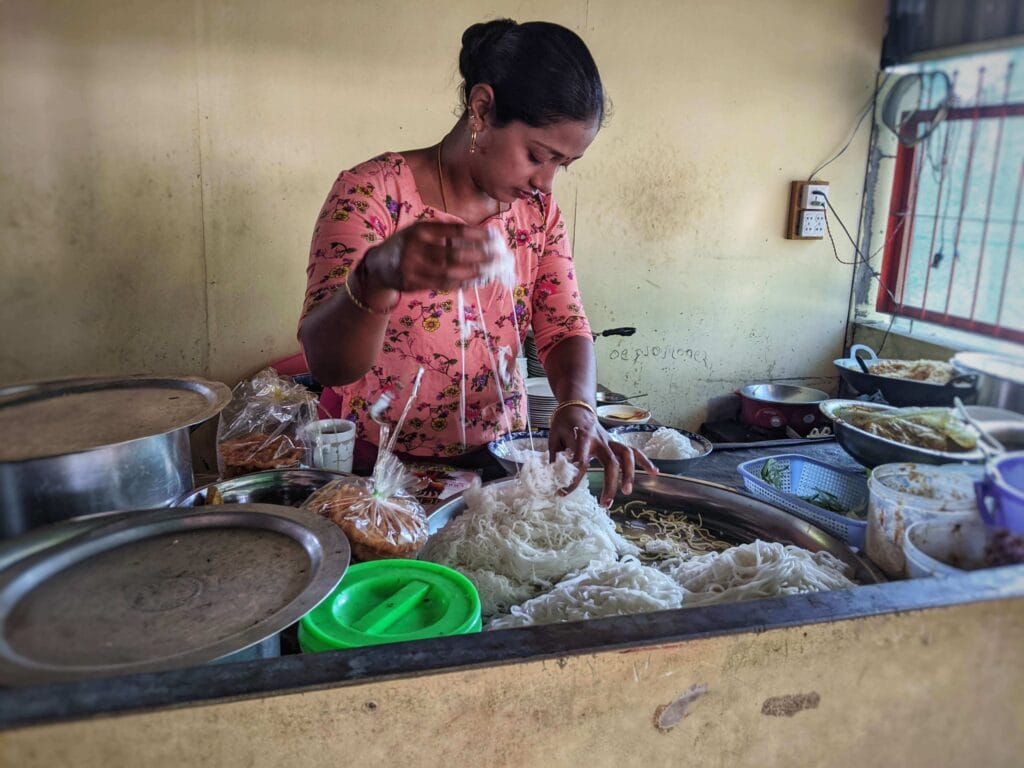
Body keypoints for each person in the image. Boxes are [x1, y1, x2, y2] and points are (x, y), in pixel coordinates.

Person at [299, 18, 655, 506]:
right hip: (382, 472)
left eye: (562, 166)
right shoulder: (373, 195)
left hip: (501, 462)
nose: (547, 182)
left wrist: (578, 406)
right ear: (483, 109)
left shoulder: (536, 212)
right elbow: (329, 365)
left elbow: (564, 324)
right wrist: (376, 276)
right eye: (537, 155)